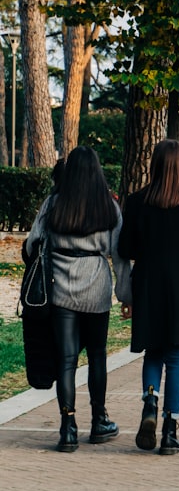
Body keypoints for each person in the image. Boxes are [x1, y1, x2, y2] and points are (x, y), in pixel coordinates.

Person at [24, 147, 130, 452]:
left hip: (60, 288)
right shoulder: (109, 207)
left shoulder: (54, 203)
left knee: (67, 359)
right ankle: (99, 420)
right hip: (96, 287)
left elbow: (33, 243)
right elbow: (120, 256)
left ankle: (67, 426)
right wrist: (126, 295)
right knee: (97, 355)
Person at [119, 139, 179, 456]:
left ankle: (150, 399)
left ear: (155, 165)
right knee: (176, 358)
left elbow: (126, 249)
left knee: (153, 352)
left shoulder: (137, 202)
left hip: (148, 284)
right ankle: (170, 430)